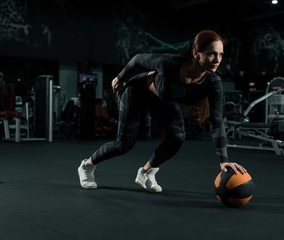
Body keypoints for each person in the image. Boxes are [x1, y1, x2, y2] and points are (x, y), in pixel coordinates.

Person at [78, 29, 247, 192]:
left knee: (177, 137)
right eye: (211, 53)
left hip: (163, 99)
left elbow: (217, 121)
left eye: (220, 54)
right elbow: (137, 60)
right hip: (137, 92)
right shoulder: (169, 63)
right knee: (123, 145)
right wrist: (120, 77)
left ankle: (146, 173)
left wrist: (223, 160)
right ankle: (87, 166)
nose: (217, 59)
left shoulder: (213, 82)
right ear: (196, 53)